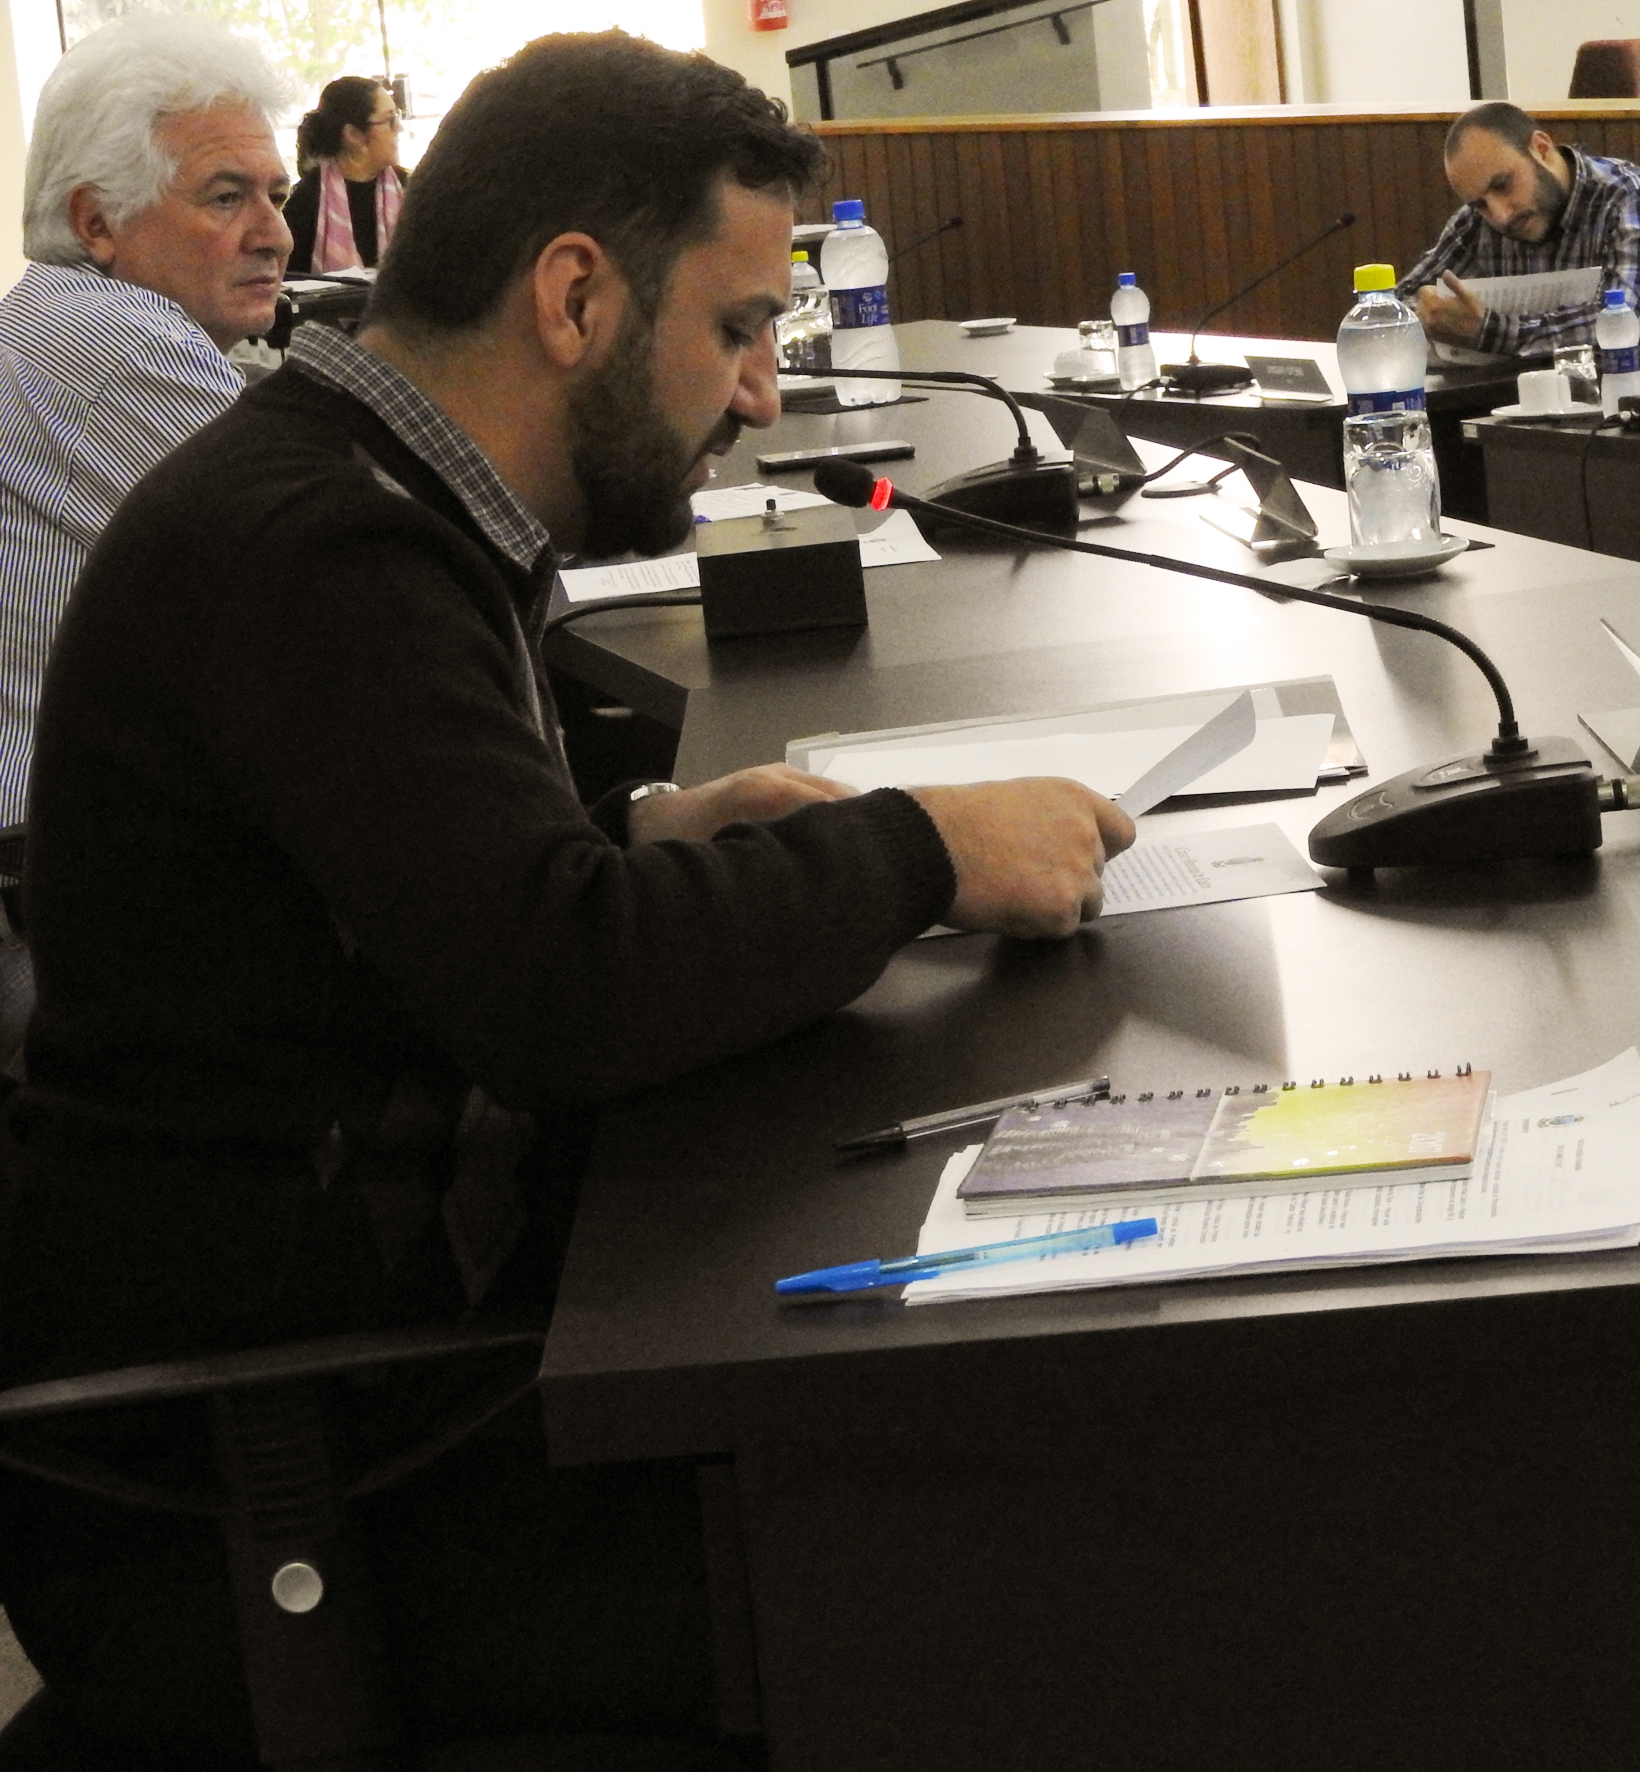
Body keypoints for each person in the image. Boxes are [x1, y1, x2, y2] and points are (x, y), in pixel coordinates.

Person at [0, 30, 1131, 1761]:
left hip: (366, 1355)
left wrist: (644, 826)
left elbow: (391, 882)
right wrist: (919, 849)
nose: (759, 395)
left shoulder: (360, 493)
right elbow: (560, 993)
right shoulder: (323, 547)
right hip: (307, 1475)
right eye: (736, 329)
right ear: (576, 296)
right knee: (1005, 1516)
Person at [0, 15, 293, 1073]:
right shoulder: (111, 342)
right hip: (62, 902)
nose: (275, 234)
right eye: (227, 197)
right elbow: (344, 571)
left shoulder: (68, 322)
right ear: (97, 222)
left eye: (278, 195)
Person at [1396, 101, 1640, 387]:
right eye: (1480, 204)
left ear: (1542, 149)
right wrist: (1430, 313)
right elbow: (1400, 303)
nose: (1499, 215)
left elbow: (1627, 327)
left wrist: (1489, 330)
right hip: (1544, 415)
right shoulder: (1477, 222)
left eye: (1503, 185)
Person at [283, 74, 405, 272]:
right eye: (390, 120)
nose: (399, 128)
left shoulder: (409, 189)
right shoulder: (307, 201)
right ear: (353, 135)